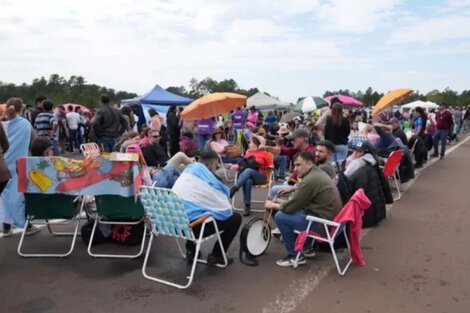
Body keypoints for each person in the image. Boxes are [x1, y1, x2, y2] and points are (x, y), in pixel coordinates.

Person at [265, 151, 342, 267]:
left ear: (309, 164)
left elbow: (292, 207)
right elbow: (300, 201)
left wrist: (273, 205)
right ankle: (306, 248)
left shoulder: (310, 180)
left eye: (298, 165)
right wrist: (282, 202)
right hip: (330, 221)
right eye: (294, 165)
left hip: (324, 226)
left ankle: (296, 255)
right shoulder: (316, 173)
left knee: (281, 217)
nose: (295, 169)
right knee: (286, 208)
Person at [172, 150, 242, 266]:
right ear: (211, 165)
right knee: (235, 218)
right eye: (216, 165)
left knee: (193, 210)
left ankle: (191, 250)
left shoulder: (188, 172)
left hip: (174, 225)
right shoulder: (211, 180)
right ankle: (217, 255)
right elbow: (223, 207)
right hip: (192, 229)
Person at [0, 98, 40, 237]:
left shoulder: (2, 123)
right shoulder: (24, 124)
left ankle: (5, 227)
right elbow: (35, 142)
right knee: (18, 194)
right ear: (21, 108)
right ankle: (24, 223)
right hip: (19, 165)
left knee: (3, 196)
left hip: (2, 164)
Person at [229, 135, 274, 216]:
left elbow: (271, 165)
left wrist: (268, 167)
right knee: (247, 181)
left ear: (257, 144)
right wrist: (237, 166)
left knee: (248, 170)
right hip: (248, 176)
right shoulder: (248, 153)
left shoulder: (265, 154)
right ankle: (247, 207)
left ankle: (235, 188)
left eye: (251, 143)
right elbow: (243, 163)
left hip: (260, 176)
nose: (249, 144)